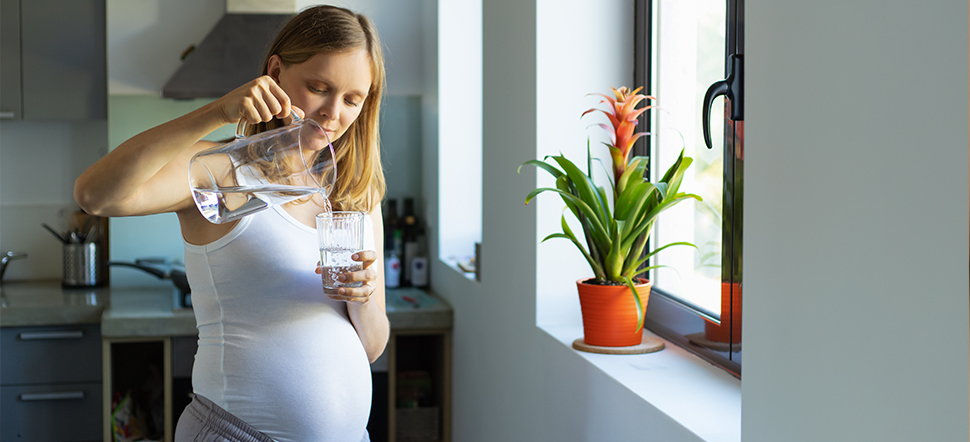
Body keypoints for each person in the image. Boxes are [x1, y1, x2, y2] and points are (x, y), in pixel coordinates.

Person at [74, 6, 388, 442]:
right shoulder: (221, 172)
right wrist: (216, 112)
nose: (334, 113)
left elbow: (371, 346)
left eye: (353, 99)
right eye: (319, 87)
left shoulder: (355, 191)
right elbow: (95, 195)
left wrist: (363, 297)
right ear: (275, 71)